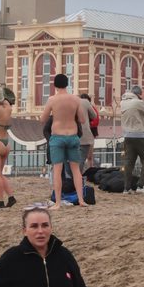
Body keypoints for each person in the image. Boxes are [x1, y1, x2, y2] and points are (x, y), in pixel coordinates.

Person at [40, 74, 91, 208]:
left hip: (57, 137)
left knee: (57, 171)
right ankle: (81, 200)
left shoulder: (52, 100)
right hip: (73, 136)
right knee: (76, 170)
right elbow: (82, 120)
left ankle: (57, 203)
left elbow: (43, 119)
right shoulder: (76, 99)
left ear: (55, 85)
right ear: (67, 84)